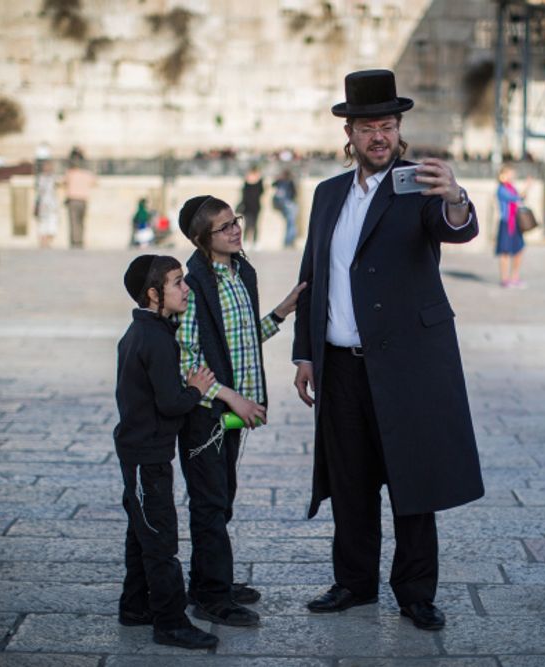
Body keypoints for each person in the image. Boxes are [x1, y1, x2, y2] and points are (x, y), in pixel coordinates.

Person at [292, 69, 484, 632]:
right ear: (348, 133)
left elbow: (455, 229)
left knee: (412, 481)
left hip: (407, 365)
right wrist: (306, 353)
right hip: (341, 366)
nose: (380, 136)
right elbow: (313, 277)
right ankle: (353, 582)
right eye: (368, 126)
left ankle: (416, 593)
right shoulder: (328, 195)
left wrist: (456, 197)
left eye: (389, 125)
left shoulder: (419, 183)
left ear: (399, 130)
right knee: (350, 484)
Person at [175, 195, 305, 628]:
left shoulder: (239, 272)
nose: (236, 230)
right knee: (209, 503)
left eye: (237, 222)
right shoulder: (194, 285)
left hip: (230, 413)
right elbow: (188, 359)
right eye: (225, 227)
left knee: (221, 499)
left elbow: (243, 338)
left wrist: (283, 311)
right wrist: (232, 397)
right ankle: (212, 597)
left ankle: (208, 579)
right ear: (201, 239)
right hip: (206, 414)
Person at [113, 253, 220, 650]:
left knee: (141, 533)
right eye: (178, 282)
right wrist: (196, 388)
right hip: (147, 457)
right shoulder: (156, 339)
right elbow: (170, 403)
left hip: (140, 452)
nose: (186, 288)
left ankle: (135, 606)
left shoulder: (141, 332)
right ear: (154, 294)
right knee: (160, 540)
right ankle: (170, 622)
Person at [496, 164, 526, 287]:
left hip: (515, 223)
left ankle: (515, 277)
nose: (512, 176)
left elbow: (520, 200)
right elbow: (516, 198)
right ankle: (504, 279)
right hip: (506, 222)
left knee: (519, 250)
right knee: (505, 252)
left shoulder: (512, 187)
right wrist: (527, 187)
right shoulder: (501, 189)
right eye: (509, 173)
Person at [64, 150, 95, 248]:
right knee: (81, 222)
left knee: (74, 222)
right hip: (83, 200)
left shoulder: (70, 173)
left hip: (73, 199)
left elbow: (63, 183)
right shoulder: (87, 173)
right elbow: (95, 182)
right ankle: (80, 240)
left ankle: (75, 241)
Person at [35, 160, 60, 248]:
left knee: (52, 222)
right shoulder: (40, 178)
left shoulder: (53, 177)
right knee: (42, 223)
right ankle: (43, 241)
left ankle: (48, 241)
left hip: (52, 204)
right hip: (43, 204)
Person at [272, 169, 299, 248]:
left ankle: (288, 241)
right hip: (289, 204)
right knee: (291, 224)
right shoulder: (289, 182)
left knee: (290, 224)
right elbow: (294, 193)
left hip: (283, 205)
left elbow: (273, 184)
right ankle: (289, 242)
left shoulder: (280, 182)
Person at [240, 165, 263, 246]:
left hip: (255, 206)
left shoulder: (259, 182)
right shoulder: (247, 182)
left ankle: (255, 242)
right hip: (248, 206)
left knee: (255, 224)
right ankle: (246, 241)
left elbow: (261, 191)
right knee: (248, 224)